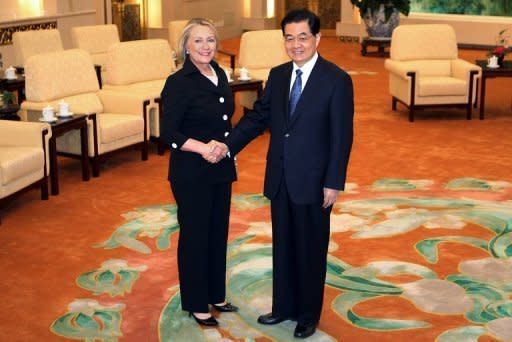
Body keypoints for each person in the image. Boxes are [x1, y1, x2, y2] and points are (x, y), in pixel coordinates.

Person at [213, 8, 354, 338]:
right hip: (280, 177)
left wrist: (333, 182)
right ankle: (284, 306)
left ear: (317, 38)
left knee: (311, 248)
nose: (296, 44)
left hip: (316, 180)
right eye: (289, 38)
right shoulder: (277, 76)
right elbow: (257, 118)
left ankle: (307, 314)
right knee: (284, 244)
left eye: (303, 37)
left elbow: (342, 137)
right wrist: (227, 145)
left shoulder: (336, 80)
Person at [160, 18, 238, 327]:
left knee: (218, 233)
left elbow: (224, 120)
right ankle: (196, 302)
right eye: (198, 41)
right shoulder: (178, 82)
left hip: (221, 167)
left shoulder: (218, 73)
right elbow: (167, 131)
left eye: (210, 40)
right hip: (191, 171)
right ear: (186, 47)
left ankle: (215, 293)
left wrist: (226, 147)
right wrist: (204, 148)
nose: (206, 47)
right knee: (195, 236)